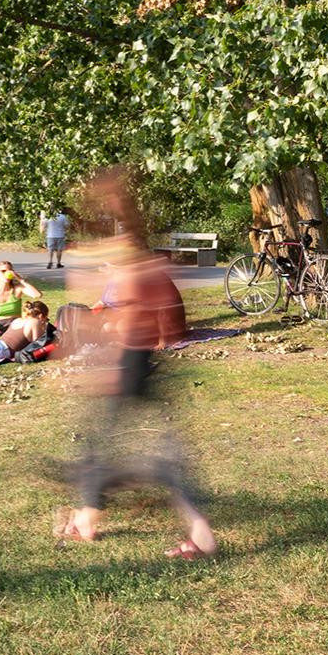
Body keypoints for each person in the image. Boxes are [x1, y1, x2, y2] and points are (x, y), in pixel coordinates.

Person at [55, 167, 215, 561]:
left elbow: (127, 314)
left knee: (118, 448)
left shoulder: (128, 259)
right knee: (132, 445)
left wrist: (108, 358)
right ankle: (89, 519)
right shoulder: (144, 259)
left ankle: (88, 521)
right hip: (141, 360)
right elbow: (163, 320)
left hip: (128, 361)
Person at [0, 261, 42, 334]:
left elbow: (37, 295)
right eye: (3, 271)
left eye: (10, 271)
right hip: (0, 327)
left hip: (16, 326)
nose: (7, 273)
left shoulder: (18, 289)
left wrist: (20, 279)